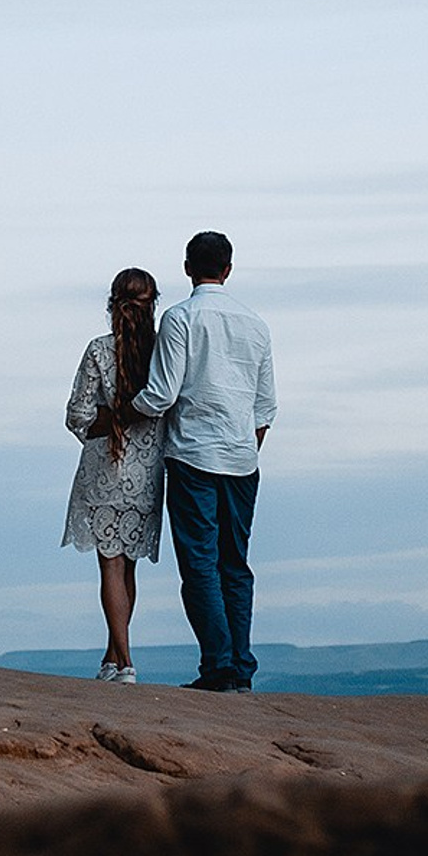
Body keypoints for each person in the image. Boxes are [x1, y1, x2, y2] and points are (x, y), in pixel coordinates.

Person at [133, 230, 275, 692]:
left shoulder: (180, 318)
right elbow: (265, 408)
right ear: (228, 269)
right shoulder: (256, 325)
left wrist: (123, 411)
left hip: (193, 455)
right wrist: (243, 446)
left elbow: (162, 393)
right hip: (242, 461)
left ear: (187, 268)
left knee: (199, 565)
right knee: (235, 565)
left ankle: (219, 666)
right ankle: (240, 667)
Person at [61, 266, 165, 681]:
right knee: (129, 567)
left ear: (111, 304)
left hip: (105, 468)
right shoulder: (164, 353)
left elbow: (78, 416)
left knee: (111, 566)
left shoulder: (98, 350)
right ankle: (112, 658)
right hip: (147, 472)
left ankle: (124, 662)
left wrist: (114, 418)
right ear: (153, 305)